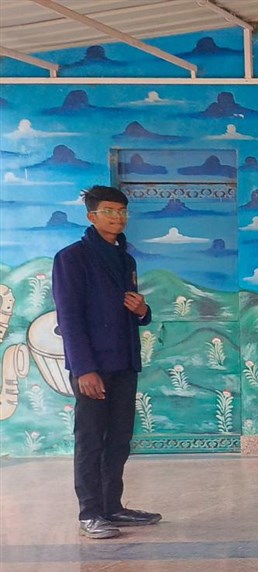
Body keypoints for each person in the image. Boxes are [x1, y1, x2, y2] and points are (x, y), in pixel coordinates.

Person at [52, 185, 159, 540]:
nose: (118, 218)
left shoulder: (125, 259)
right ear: (91, 216)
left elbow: (132, 309)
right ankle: (90, 513)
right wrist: (84, 369)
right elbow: (69, 318)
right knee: (90, 439)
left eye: (122, 212)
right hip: (93, 366)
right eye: (109, 211)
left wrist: (143, 311)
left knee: (119, 439)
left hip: (124, 362)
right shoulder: (72, 258)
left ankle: (112, 506)